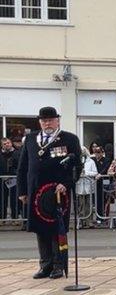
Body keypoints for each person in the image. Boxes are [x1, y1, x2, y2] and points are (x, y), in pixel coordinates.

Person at [17, 107, 82, 279]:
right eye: (44, 120)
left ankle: (58, 265)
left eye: (51, 120)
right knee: (40, 229)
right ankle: (45, 264)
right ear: (39, 122)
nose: (47, 123)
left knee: (56, 228)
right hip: (35, 191)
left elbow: (76, 166)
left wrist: (66, 184)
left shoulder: (69, 139)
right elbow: (23, 167)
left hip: (58, 192)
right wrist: (22, 190)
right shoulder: (30, 139)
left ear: (58, 120)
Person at [1, 137, 21, 220]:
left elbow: (20, 166)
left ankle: (15, 218)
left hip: (14, 180)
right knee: (2, 200)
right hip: (2, 180)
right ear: (2, 146)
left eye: (8, 143)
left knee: (15, 200)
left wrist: (14, 173)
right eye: (4, 144)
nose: (7, 145)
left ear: (11, 143)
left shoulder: (17, 153)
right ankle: (2, 218)